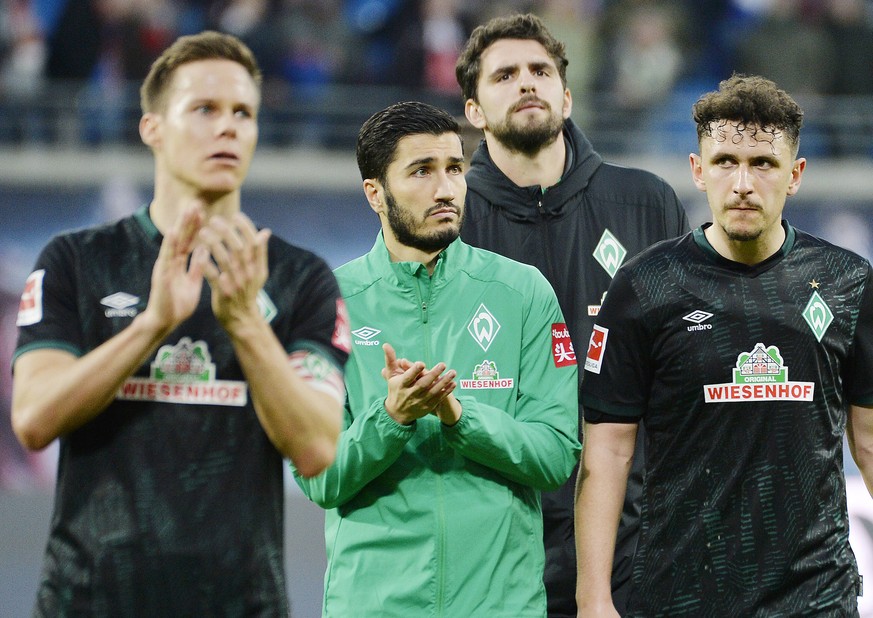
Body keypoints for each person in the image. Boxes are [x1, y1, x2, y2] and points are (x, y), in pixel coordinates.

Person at [11, 31, 350, 616]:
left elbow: (318, 447)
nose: (228, 127)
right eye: (204, 109)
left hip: (242, 603)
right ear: (152, 129)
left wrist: (245, 322)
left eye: (243, 112)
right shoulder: (76, 260)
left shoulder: (300, 277)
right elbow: (34, 419)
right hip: (88, 602)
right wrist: (152, 324)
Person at [575, 74, 873, 616]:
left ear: (796, 174)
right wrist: (592, 598)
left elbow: (871, 441)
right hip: (682, 592)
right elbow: (608, 450)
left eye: (763, 164)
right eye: (724, 161)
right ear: (697, 170)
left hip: (815, 595)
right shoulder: (645, 286)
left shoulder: (848, 281)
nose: (742, 182)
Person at [292, 100, 580, 617]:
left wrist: (460, 417)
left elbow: (557, 455)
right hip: (374, 606)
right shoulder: (326, 303)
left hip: (501, 607)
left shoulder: (522, 292)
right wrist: (392, 417)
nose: (446, 189)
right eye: (422, 171)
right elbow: (320, 478)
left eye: (454, 169)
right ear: (374, 193)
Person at [454, 12, 689, 617]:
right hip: (486, 554)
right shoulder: (444, 221)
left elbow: (681, 375)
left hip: (629, 551)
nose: (527, 83)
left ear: (567, 93)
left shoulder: (645, 204)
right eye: (505, 75)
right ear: (474, 110)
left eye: (541, 71)